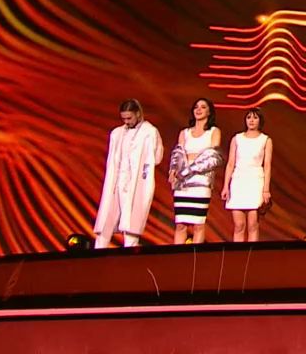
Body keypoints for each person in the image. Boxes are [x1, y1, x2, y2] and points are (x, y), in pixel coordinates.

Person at [93, 99, 164, 248]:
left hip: (136, 181)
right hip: (117, 181)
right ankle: (99, 251)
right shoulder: (117, 133)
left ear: (138, 114)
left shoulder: (149, 132)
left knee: (131, 221)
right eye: (123, 118)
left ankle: (130, 251)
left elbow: (156, 157)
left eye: (129, 118)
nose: (126, 122)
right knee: (106, 220)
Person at [168, 98, 223, 244]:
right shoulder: (184, 133)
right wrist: (174, 170)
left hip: (201, 180)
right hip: (182, 182)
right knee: (180, 224)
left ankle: (196, 255)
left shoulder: (214, 131)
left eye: (203, 107)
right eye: (196, 107)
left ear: (209, 112)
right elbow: (178, 154)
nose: (198, 110)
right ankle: (178, 255)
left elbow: (213, 156)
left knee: (198, 224)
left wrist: (191, 169)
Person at [222, 107, 274, 242]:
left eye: (255, 118)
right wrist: (225, 186)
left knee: (252, 225)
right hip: (238, 181)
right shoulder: (237, 138)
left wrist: (266, 190)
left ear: (260, 121)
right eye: (249, 117)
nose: (251, 120)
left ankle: (252, 253)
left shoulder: (265, 140)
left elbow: (267, 166)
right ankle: (238, 253)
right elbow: (230, 163)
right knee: (239, 225)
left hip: (255, 181)